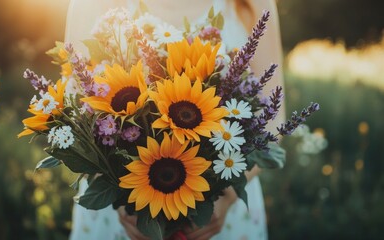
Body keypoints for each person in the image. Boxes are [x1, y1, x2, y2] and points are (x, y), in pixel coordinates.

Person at [65, 0, 285, 239]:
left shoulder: (253, 4)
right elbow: (75, 114)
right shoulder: (90, 5)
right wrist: (120, 196)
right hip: (121, 218)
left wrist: (228, 196)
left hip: (221, 213)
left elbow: (273, 121)